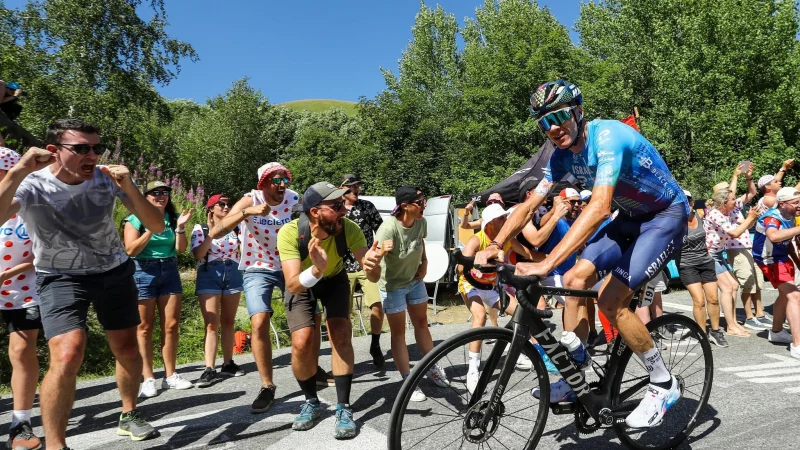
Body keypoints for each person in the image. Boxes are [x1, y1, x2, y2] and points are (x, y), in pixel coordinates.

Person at [477, 80, 689, 428]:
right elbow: (530, 203)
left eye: (559, 117)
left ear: (577, 112)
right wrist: (498, 244)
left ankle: (663, 382)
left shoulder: (609, 137)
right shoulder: (561, 157)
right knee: (575, 278)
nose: (553, 128)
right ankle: (576, 366)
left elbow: (600, 207)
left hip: (664, 217)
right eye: (544, 123)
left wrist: (546, 262)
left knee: (610, 300)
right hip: (630, 217)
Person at [0, 119, 165, 447]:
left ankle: (129, 414)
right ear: (54, 152)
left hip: (113, 271)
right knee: (66, 353)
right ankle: (56, 444)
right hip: (59, 276)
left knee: (127, 348)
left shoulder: (107, 180)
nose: (92, 155)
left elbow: (157, 225)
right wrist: (19, 169)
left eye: (95, 148)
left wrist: (130, 185)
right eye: (81, 149)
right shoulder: (32, 184)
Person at [277, 181, 383, 439]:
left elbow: (372, 273)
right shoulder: (290, 233)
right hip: (303, 283)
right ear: (315, 211)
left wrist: (373, 264)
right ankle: (311, 401)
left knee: (340, 333)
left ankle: (344, 407)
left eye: (343, 203)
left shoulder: (349, 228)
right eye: (336, 205)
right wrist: (316, 269)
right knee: (302, 342)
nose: (344, 209)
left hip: (334, 279)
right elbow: (292, 284)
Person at [207, 162, 298, 413]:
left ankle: (312, 370)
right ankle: (267, 386)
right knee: (258, 323)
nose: (281, 185)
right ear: (264, 182)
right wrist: (247, 213)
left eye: (285, 180)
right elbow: (216, 231)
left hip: (290, 263)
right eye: (276, 180)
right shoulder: (250, 199)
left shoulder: (294, 199)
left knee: (305, 320)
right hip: (257, 265)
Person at [458, 202, 543, 394]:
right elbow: (460, 268)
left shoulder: (508, 239)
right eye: (502, 218)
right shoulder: (476, 240)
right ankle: (473, 371)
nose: (506, 221)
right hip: (471, 284)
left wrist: (550, 260)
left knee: (522, 313)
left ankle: (518, 351)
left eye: (506, 217)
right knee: (480, 316)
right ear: (489, 223)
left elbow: (528, 253)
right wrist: (479, 266)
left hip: (490, 287)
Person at [376, 186, 448, 402]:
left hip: (415, 280)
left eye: (424, 201)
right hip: (392, 285)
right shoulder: (388, 229)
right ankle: (408, 380)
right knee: (399, 333)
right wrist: (380, 252)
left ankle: (432, 367)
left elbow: (421, 243)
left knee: (422, 323)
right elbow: (373, 260)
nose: (424, 205)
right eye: (420, 202)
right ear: (405, 206)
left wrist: (425, 262)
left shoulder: (420, 222)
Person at [123, 180, 193, 397]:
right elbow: (131, 250)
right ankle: (148, 378)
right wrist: (151, 230)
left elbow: (181, 250)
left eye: (165, 192)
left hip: (169, 269)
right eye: (155, 193)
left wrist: (180, 227)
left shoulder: (172, 219)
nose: (161, 196)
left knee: (171, 325)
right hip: (142, 271)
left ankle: (170, 375)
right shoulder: (134, 219)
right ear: (146, 197)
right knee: (144, 327)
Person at [0, 148, 41, 450]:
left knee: (22, 350)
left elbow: (41, 253)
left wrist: (5, 275)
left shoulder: (31, 206)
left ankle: (20, 423)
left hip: (23, 291)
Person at [191, 194, 246, 387]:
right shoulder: (201, 229)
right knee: (211, 324)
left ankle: (228, 363)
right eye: (220, 204)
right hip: (209, 272)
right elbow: (198, 254)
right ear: (211, 209)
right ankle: (209, 368)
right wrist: (212, 232)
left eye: (227, 204)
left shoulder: (236, 227)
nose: (225, 207)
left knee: (229, 320)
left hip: (232, 270)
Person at [340, 173, 386, 367]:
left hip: (366, 263)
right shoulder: (337, 209)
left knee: (377, 304)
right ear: (342, 190)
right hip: (343, 267)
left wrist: (381, 251)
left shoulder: (367, 207)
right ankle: (346, 349)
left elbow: (382, 230)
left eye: (358, 186)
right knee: (343, 313)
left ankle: (375, 344)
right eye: (351, 187)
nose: (356, 189)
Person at [704, 187, 763, 334]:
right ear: (725, 202)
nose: (735, 202)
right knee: (727, 288)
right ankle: (730, 326)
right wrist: (750, 218)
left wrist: (752, 217)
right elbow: (735, 233)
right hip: (709, 254)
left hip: (717, 253)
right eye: (732, 200)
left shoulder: (727, 213)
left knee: (734, 285)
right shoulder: (715, 215)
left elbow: (742, 228)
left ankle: (734, 322)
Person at [752, 186, 800, 356]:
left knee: (785, 295)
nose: (799, 205)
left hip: (781, 256)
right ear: (782, 204)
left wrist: (797, 262)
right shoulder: (772, 217)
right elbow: (773, 236)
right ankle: (797, 346)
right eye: (795, 203)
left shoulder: (792, 216)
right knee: (795, 296)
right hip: (769, 259)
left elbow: (788, 241)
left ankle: (777, 332)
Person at [676, 191, 727, 347]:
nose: (685, 206)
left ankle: (715, 331)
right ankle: (701, 332)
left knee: (713, 299)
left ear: (691, 203)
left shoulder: (700, 215)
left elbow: (726, 198)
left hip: (706, 262)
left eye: (688, 202)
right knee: (699, 301)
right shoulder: (674, 222)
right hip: (687, 264)